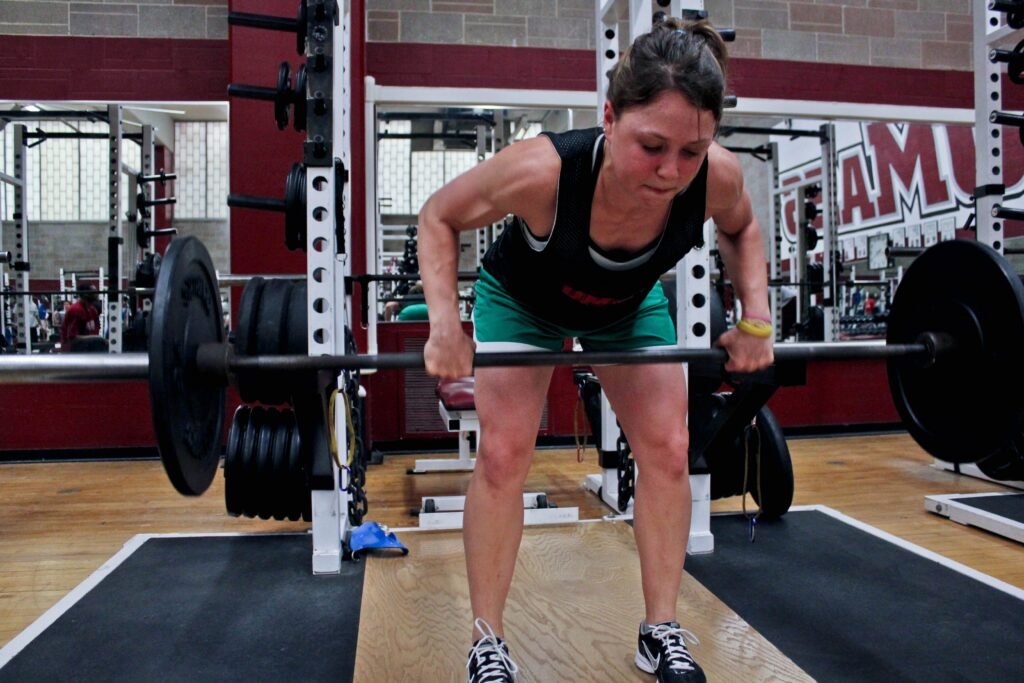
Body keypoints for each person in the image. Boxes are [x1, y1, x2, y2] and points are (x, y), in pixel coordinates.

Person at [418, 18, 773, 683]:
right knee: (502, 455)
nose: (671, 172)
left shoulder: (712, 178)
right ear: (609, 117)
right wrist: (444, 325)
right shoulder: (543, 172)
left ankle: (660, 628)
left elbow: (743, 227)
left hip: (627, 304)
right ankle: (486, 639)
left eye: (691, 151)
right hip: (522, 300)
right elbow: (438, 215)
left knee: (668, 450)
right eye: (652, 146)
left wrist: (756, 320)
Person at [60, 283, 103, 352]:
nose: (97, 294)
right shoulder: (76, 310)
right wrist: (97, 339)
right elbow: (72, 338)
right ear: (85, 294)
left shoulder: (92, 311)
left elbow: (95, 331)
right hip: (74, 353)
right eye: (94, 292)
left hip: (87, 351)